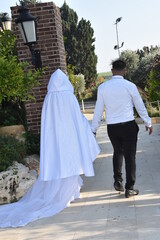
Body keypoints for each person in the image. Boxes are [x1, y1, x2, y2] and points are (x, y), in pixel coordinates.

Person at [0, 69, 100, 228]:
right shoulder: (69, 98)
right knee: (71, 162)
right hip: (70, 137)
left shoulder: (49, 99)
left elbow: (47, 125)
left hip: (56, 139)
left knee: (60, 163)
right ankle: (69, 193)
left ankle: (68, 192)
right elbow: (78, 119)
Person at [91, 59, 153, 198]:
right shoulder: (130, 86)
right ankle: (129, 188)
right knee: (130, 156)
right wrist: (148, 122)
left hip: (112, 127)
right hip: (128, 126)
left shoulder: (103, 88)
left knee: (117, 152)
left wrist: (93, 129)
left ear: (112, 71)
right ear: (125, 70)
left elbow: (98, 110)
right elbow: (139, 106)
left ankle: (117, 181)